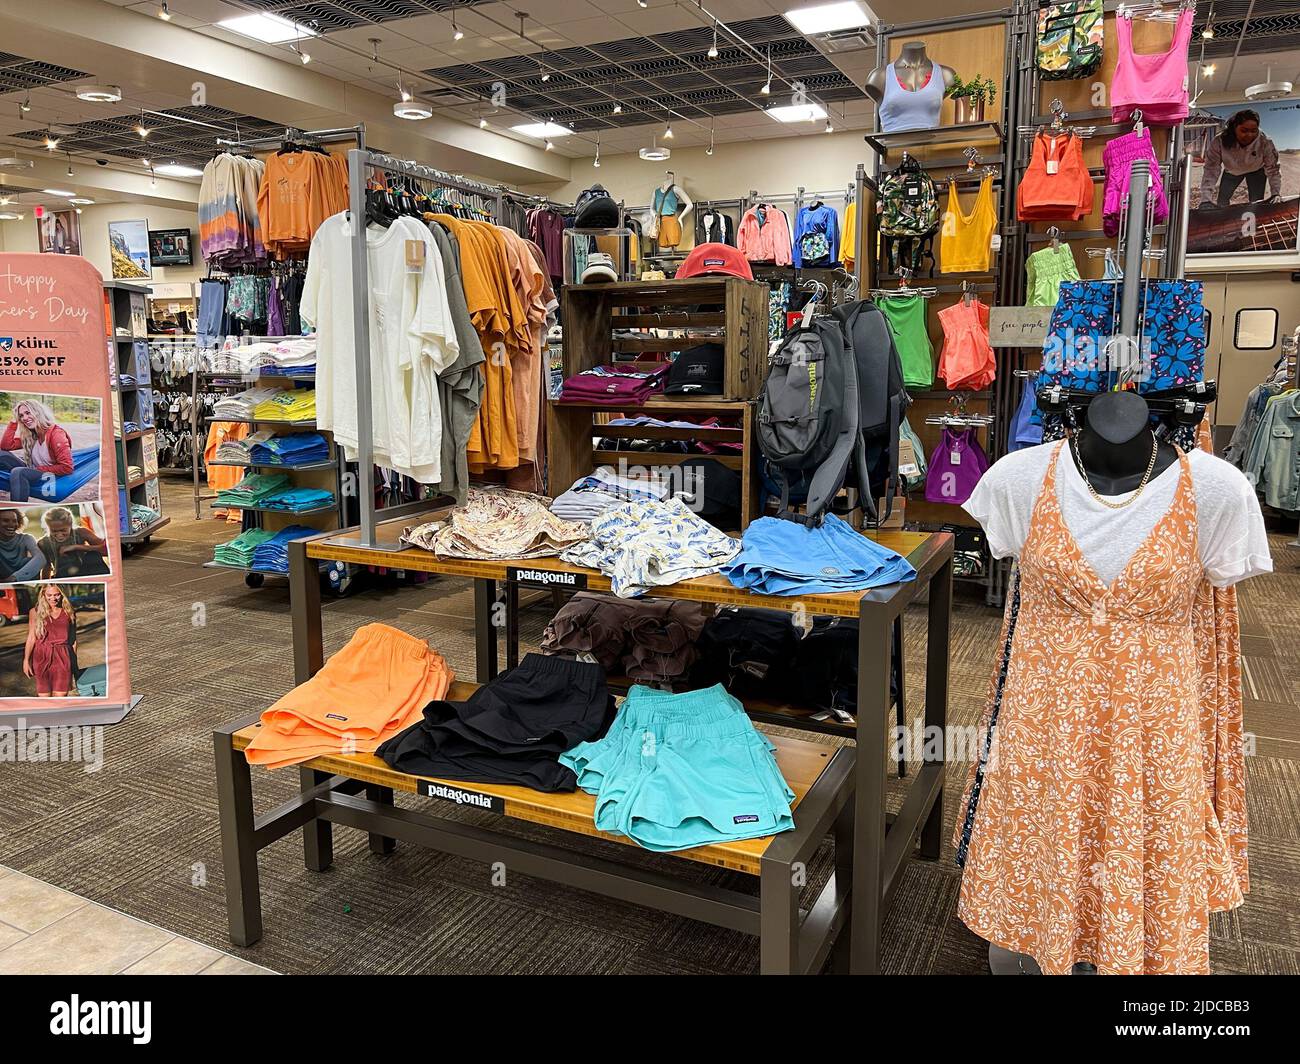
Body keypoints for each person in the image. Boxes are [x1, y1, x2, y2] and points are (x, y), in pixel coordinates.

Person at [1199, 109, 1284, 207]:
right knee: (1222, 202)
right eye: (1244, 130)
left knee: (1256, 203)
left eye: (1254, 131)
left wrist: (1276, 193)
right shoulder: (1219, 141)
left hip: (1256, 172)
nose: (1250, 135)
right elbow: (1211, 170)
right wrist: (1205, 199)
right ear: (1234, 128)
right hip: (1232, 172)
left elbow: (1273, 169)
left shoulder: (1265, 141)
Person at [0, 398, 75, 502]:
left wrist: (38, 469)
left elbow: (67, 467)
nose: (24, 418)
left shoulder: (56, 434)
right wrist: (13, 422)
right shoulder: (31, 434)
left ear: (38, 412)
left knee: (19, 472)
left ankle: (16, 511)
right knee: (1, 455)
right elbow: (5, 446)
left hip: (48, 475)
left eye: (28, 413)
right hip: (32, 470)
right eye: (21, 415)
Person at [23, 583, 78, 698]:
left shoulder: (69, 612)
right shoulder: (34, 612)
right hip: (41, 656)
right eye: (49, 595)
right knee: (44, 698)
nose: (53, 598)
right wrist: (26, 660)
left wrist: (74, 664)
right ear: (43, 594)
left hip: (63, 657)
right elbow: (31, 637)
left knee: (61, 697)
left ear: (62, 594)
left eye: (57, 595)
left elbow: (73, 641)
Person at [37, 506, 109, 579]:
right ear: (48, 527)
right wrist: (45, 586)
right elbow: (46, 567)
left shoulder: (81, 532)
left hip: (85, 570)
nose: (59, 534)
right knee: (65, 565)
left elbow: (106, 550)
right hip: (63, 574)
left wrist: (76, 547)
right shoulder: (43, 543)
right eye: (54, 531)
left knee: (93, 556)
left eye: (63, 530)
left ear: (70, 525)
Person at [0, 508, 45, 581]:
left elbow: (40, 558)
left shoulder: (26, 538)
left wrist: (14, 578)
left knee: (29, 561)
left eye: (15, 521)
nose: (11, 525)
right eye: (5, 520)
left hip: (22, 580)